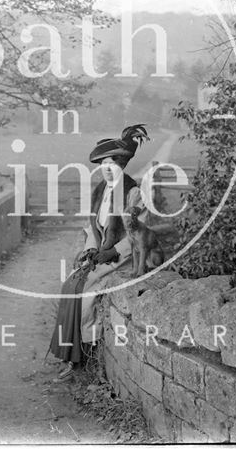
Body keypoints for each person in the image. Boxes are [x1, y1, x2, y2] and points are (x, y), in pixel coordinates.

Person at [48, 124, 150, 382]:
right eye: (102, 164)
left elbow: (138, 233)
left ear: (122, 165)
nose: (106, 168)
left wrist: (114, 251)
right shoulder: (99, 191)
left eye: (112, 163)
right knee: (70, 283)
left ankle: (86, 353)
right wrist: (91, 250)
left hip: (123, 259)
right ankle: (69, 355)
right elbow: (92, 227)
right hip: (102, 254)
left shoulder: (133, 192)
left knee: (87, 290)